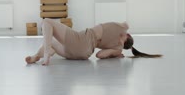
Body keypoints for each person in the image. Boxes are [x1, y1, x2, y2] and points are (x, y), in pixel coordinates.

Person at [25, 19, 162, 66]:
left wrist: (116, 51)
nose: (120, 37)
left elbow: (126, 23)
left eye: (123, 38)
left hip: (81, 39)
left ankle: (47, 53)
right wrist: (115, 52)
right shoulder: (118, 47)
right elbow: (99, 55)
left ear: (128, 35)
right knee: (53, 42)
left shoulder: (122, 29)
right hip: (82, 54)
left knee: (47, 22)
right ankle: (36, 57)